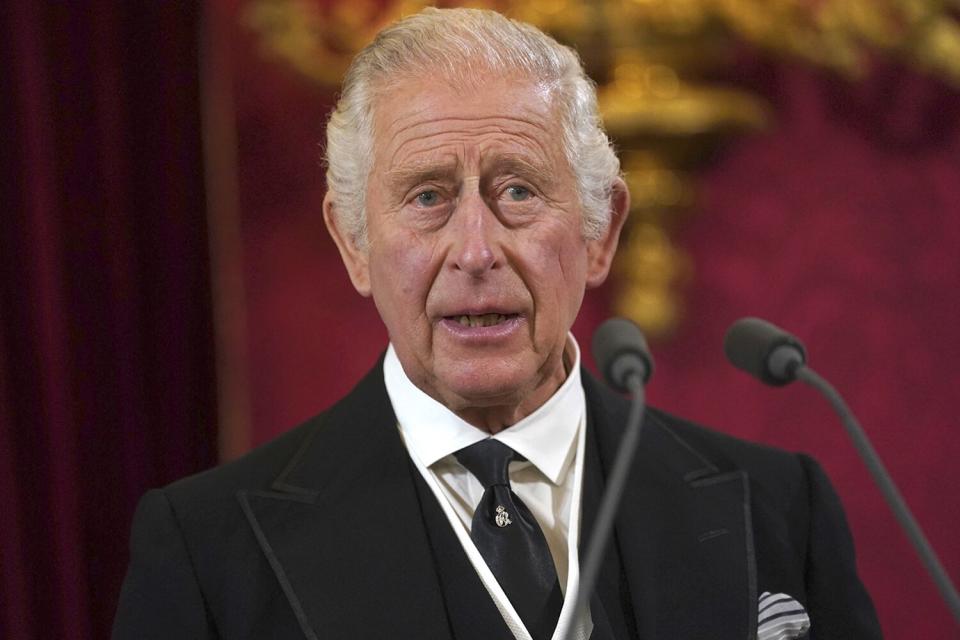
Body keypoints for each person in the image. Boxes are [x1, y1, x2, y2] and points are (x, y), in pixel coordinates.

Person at [113, 8, 882, 639]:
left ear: (600, 231)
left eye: (518, 191)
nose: (476, 251)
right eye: (427, 197)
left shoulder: (781, 510)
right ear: (353, 241)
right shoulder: (208, 552)